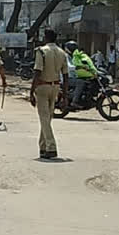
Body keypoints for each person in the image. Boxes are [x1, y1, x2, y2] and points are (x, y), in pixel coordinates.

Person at [29, 29, 68, 160]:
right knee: (47, 118)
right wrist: (65, 94)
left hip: (42, 86)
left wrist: (31, 91)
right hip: (55, 86)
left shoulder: (41, 51)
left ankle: (51, 147)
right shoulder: (62, 53)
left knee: (44, 118)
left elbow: (37, 71)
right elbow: (66, 75)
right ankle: (43, 147)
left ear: (45, 38)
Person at [70, 44, 98, 109]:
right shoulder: (69, 56)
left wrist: (92, 69)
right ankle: (74, 101)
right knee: (80, 82)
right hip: (69, 76)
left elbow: (88, 63)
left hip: (75, 76)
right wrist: (81, 67)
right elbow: (71, 67)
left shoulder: (77, 57)